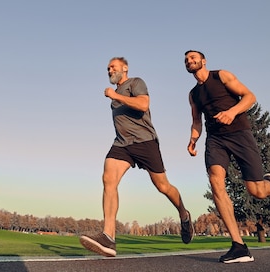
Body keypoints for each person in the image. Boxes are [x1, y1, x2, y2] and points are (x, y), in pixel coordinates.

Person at [79, 57, 194, 257]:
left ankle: (184, 214)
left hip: (145, 141)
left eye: (112, 67)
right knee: (108, 179)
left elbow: (143, 104)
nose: (109, 70)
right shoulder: (115, 95)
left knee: (163, 186)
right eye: (107, 68)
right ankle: (109, 237)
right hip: (122, 144)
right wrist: (115, 96)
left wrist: (117, 96)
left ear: (125, 68)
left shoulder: (135, 83)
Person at [184, 50, 270, 264]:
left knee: (256, 190)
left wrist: (232, 112)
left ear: (203, 61)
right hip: (215, 139)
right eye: (186, 60)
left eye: (193, 57)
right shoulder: (193, 94)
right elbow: (196, 120)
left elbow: (250, 96)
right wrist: (193, 139)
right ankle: (239, 246)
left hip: (239, 133)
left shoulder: (221, 76)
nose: (189, 61)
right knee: (216, 182)